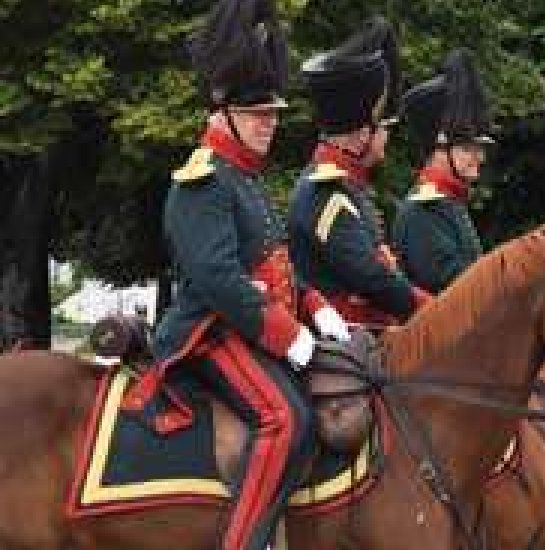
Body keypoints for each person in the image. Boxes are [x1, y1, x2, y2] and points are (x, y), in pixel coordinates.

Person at [144, 1, 348, 548]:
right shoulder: (203, 181)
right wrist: (288, 335)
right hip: (208, 333)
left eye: (274, 113)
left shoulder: (245, 180)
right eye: (258, 114)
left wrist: (316, 308)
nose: (270, 123)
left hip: (246, 329)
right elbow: (217, 279)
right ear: (223, 112)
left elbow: (275, 268)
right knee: (286, 419)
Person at [289, 16, 429, 327]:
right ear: (364, 133)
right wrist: (434, 309)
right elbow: (369, 276)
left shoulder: (346, 186)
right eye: (385, 128)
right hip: (342, 339)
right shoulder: (326, 191)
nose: (387, 139)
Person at [391, 49, 493, 293]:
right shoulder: (423, 210)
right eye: (468, 148)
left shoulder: (447, 203)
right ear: (440, 147)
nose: (480, 157)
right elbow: (455, 286)